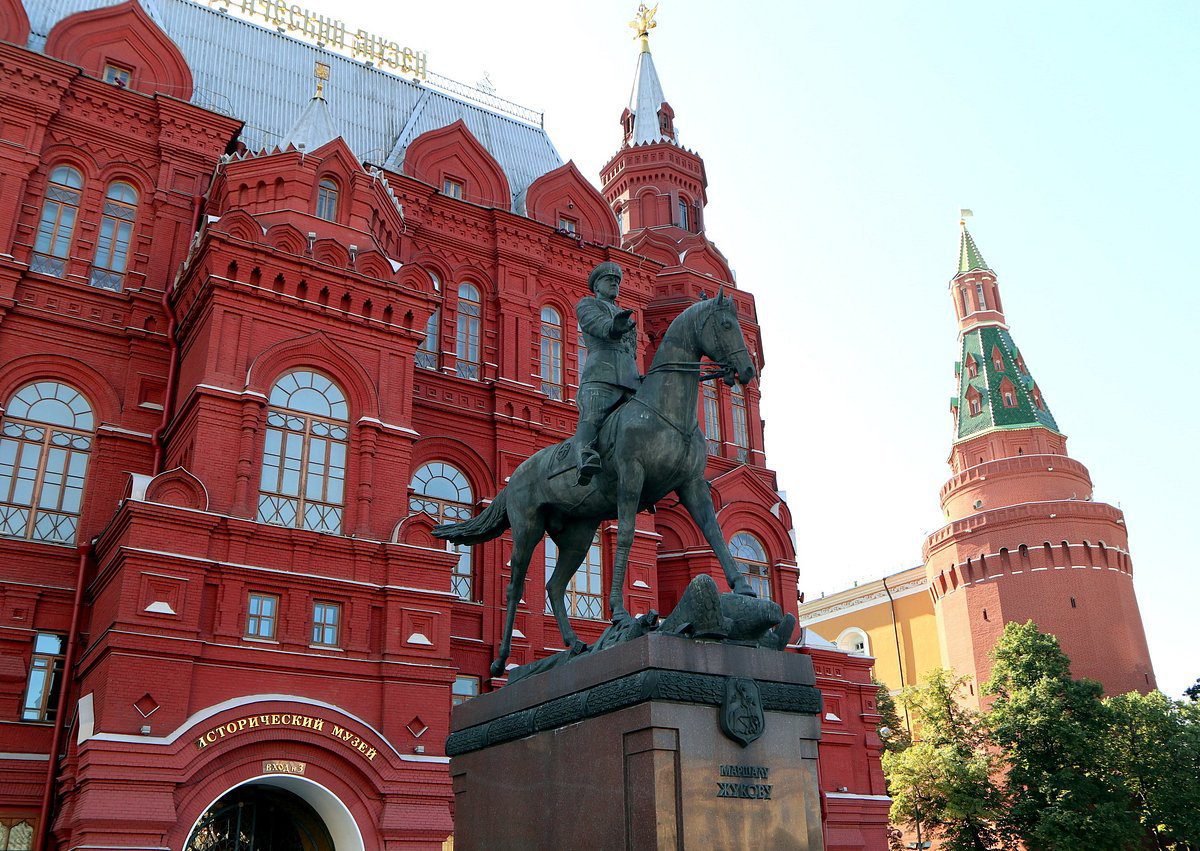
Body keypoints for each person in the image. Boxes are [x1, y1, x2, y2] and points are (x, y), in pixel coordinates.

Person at [573, 261, 639, 485]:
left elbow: (632, 352)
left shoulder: (625, 316)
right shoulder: (588, 304)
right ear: (596, 286)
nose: (614, 283)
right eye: (609, 279)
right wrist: (613, 327)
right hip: (601, 375)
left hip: (631, 381)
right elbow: (596, 324)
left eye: (617, 281)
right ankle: (584, 457)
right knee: (592, 417)